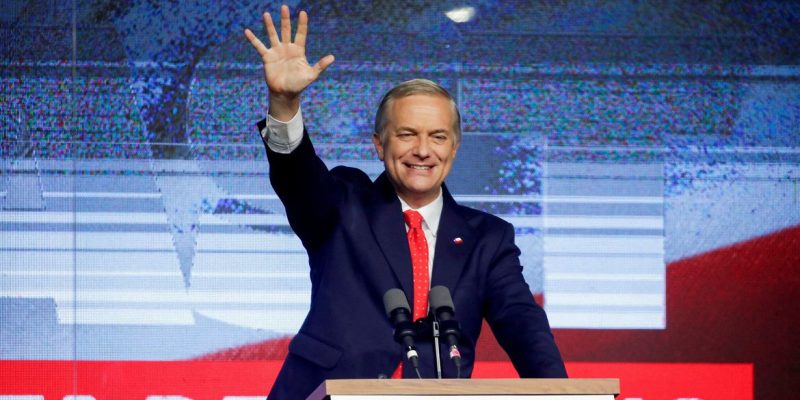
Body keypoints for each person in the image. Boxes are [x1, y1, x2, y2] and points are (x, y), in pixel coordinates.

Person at [245, 5, 567, 399]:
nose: (422, 150)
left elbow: (522, 323)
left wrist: (562, 392)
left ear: (455, 147)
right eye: (407, 134)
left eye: (437, 136)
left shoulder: (488, 238)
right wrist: (284, 105)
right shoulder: (345, 204)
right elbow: (299, 179)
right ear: (379, 145)